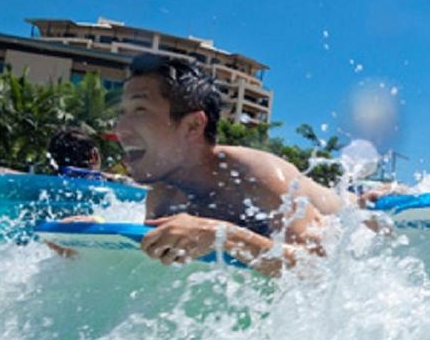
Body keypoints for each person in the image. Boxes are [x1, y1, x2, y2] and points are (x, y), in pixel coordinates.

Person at [69, 53, 343, 276]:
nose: (121, 130)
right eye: (122, 113)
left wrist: (222, 235)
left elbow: (319, 269)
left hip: (345, 213)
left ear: (192, 125)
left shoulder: (257, 176)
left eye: (140, 110)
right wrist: (96, 244)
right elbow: (156, 260)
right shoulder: (163, 192)